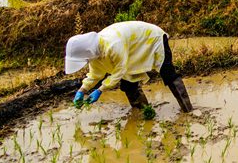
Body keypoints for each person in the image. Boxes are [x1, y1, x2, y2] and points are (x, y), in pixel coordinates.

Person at [66, 20, 194, 112]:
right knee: (128, 83)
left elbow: (119, 72)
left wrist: (100, 90)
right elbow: (95, 74)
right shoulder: (94, 53)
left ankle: (187, 109)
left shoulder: (112, 45)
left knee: (167, 72)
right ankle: (143, 111)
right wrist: (82, 90)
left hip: (151, 38)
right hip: (132, 47)